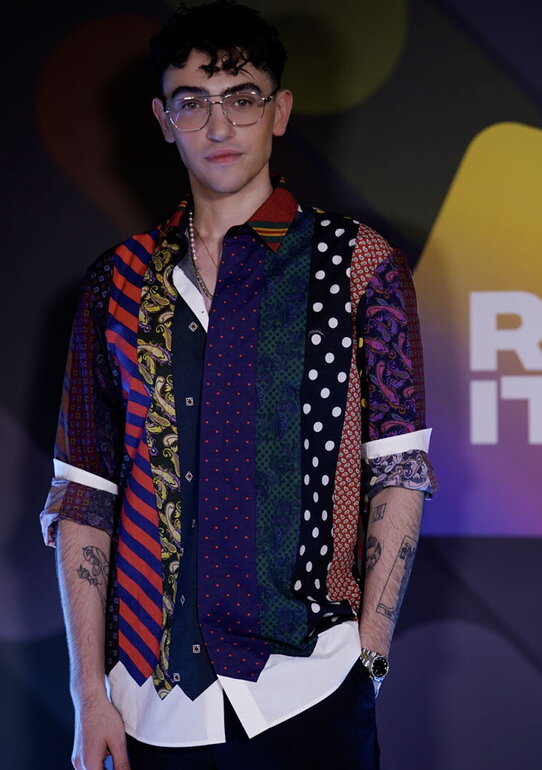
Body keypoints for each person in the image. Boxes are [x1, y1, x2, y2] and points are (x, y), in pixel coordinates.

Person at [41, 1, 437, 768]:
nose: (219, 125)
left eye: (242, 97)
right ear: (164, 120)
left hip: (308, 685)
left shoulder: (357, 263)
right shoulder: (116, 284)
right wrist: (89, 692)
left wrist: (371, 659)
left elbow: (399, 470)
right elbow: (85, 495)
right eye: (193, 102)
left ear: (279, 110)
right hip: (149, 705)